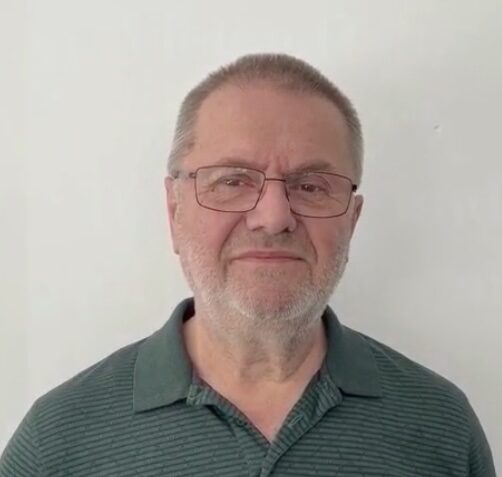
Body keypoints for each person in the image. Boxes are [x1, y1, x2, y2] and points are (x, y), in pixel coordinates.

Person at [0, 53, 496, 477]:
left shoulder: (442, 428)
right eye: (233, 181)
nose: (274, 218)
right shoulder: (57, 442)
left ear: (353, 219)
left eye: (311, 186)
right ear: (174, 211)